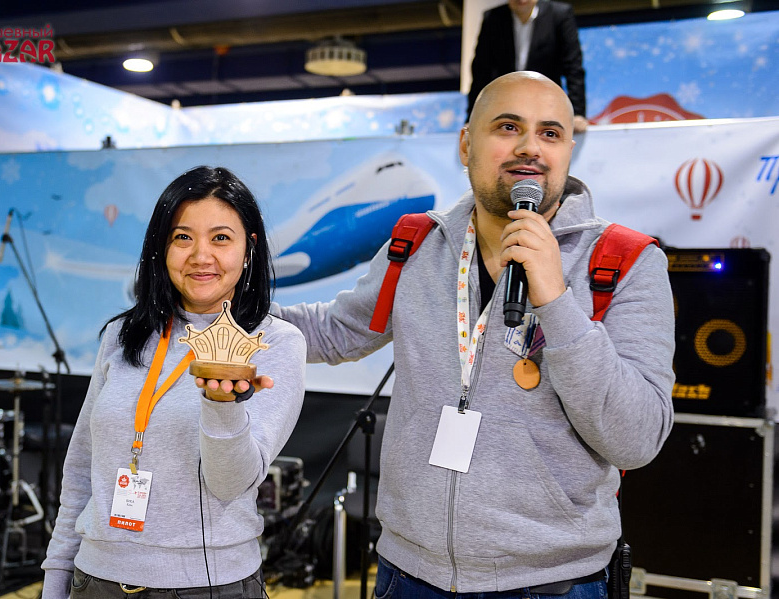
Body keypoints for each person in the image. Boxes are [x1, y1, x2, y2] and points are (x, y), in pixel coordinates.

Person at [273, 72, 674, 596]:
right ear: (466, 144)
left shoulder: (626, 262)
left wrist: (556, 301)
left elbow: (637, 439)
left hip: (551, 583)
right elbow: (334, 332)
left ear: (568, 151)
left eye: (550, 133)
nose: (530, 147)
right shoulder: (417, 244)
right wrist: (225, 314)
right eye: (508, 127)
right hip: (407, 573)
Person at [41, 166, 306, 599]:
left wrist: (222, 406)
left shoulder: (273, 342)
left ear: (249, 249)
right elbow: (81, 470)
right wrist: (56, 577)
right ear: (160, 248)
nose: (201, 255)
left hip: (208, 586)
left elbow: (231, 483)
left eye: (221, 238)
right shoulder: (123, 334)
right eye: (183, 237)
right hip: (95, 579)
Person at [467, 0, 589, 133]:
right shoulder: (493, 18)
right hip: (506, 105)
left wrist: (577, 113)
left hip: (546, 104)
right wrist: (473, 117)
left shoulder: (559, 15)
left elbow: (573, 68)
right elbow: (481, 72)